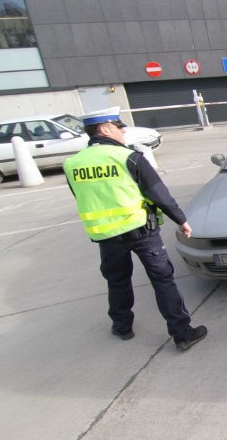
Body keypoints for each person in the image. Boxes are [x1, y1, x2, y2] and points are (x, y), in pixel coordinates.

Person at [63, 108, 208, 352]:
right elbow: (158, 193)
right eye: (118, 126)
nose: (123, 130)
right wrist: (181, 220)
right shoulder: (128, 157)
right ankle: (183, 334)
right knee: (163, 280)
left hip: (106, 235)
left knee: (117, 281)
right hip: (141, 231)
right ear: (104, 129)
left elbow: (81, 195)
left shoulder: (72, 163)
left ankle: (122, 326)